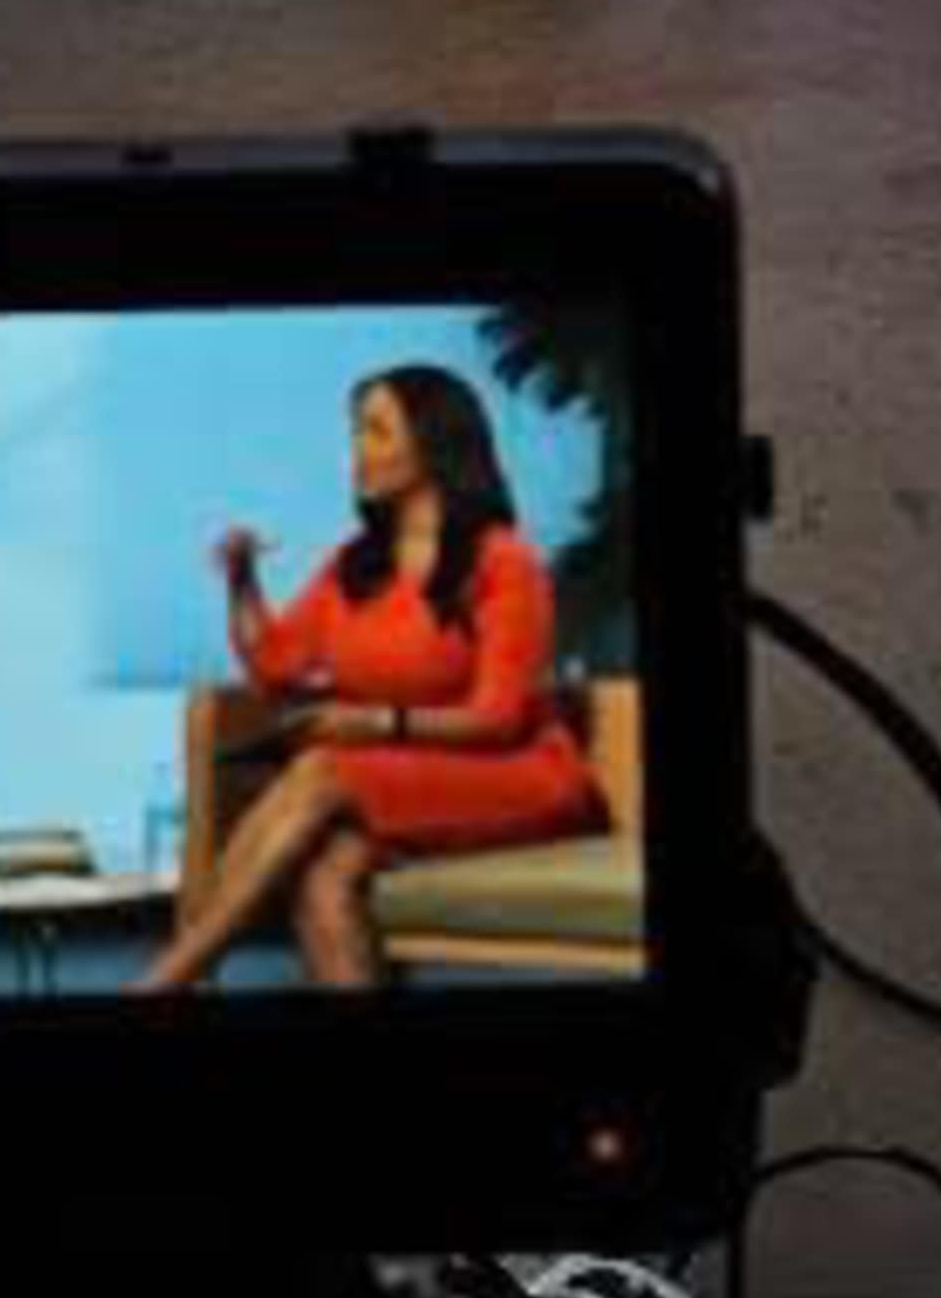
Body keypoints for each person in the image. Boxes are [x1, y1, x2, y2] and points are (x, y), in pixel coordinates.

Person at [147, 363, 605, 996]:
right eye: (357, 432)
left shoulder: (504, 562)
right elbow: (275, 662)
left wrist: (374, 723)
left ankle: (166, 983)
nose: (358, 450)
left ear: (433, 442)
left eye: (377, 431)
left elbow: (499, 717)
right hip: (406, 779)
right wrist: (243, 580)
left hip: (519, 776)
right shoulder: (354, 566)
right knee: (324, 877)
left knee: (323, 768)